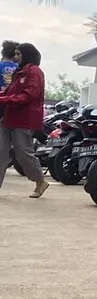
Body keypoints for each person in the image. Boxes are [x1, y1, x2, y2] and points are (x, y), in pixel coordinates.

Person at [0, 43, 49, 197]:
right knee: (0, 151)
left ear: (27, 55)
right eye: (15, 54)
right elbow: (9, 92)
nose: (16, 57)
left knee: (23, 153)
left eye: (18, 54)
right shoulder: (19, 72)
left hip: (24, 119)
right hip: (8, 117)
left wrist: (5, 100)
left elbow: (29, 95)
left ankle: (40, 181)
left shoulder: (35, 72)